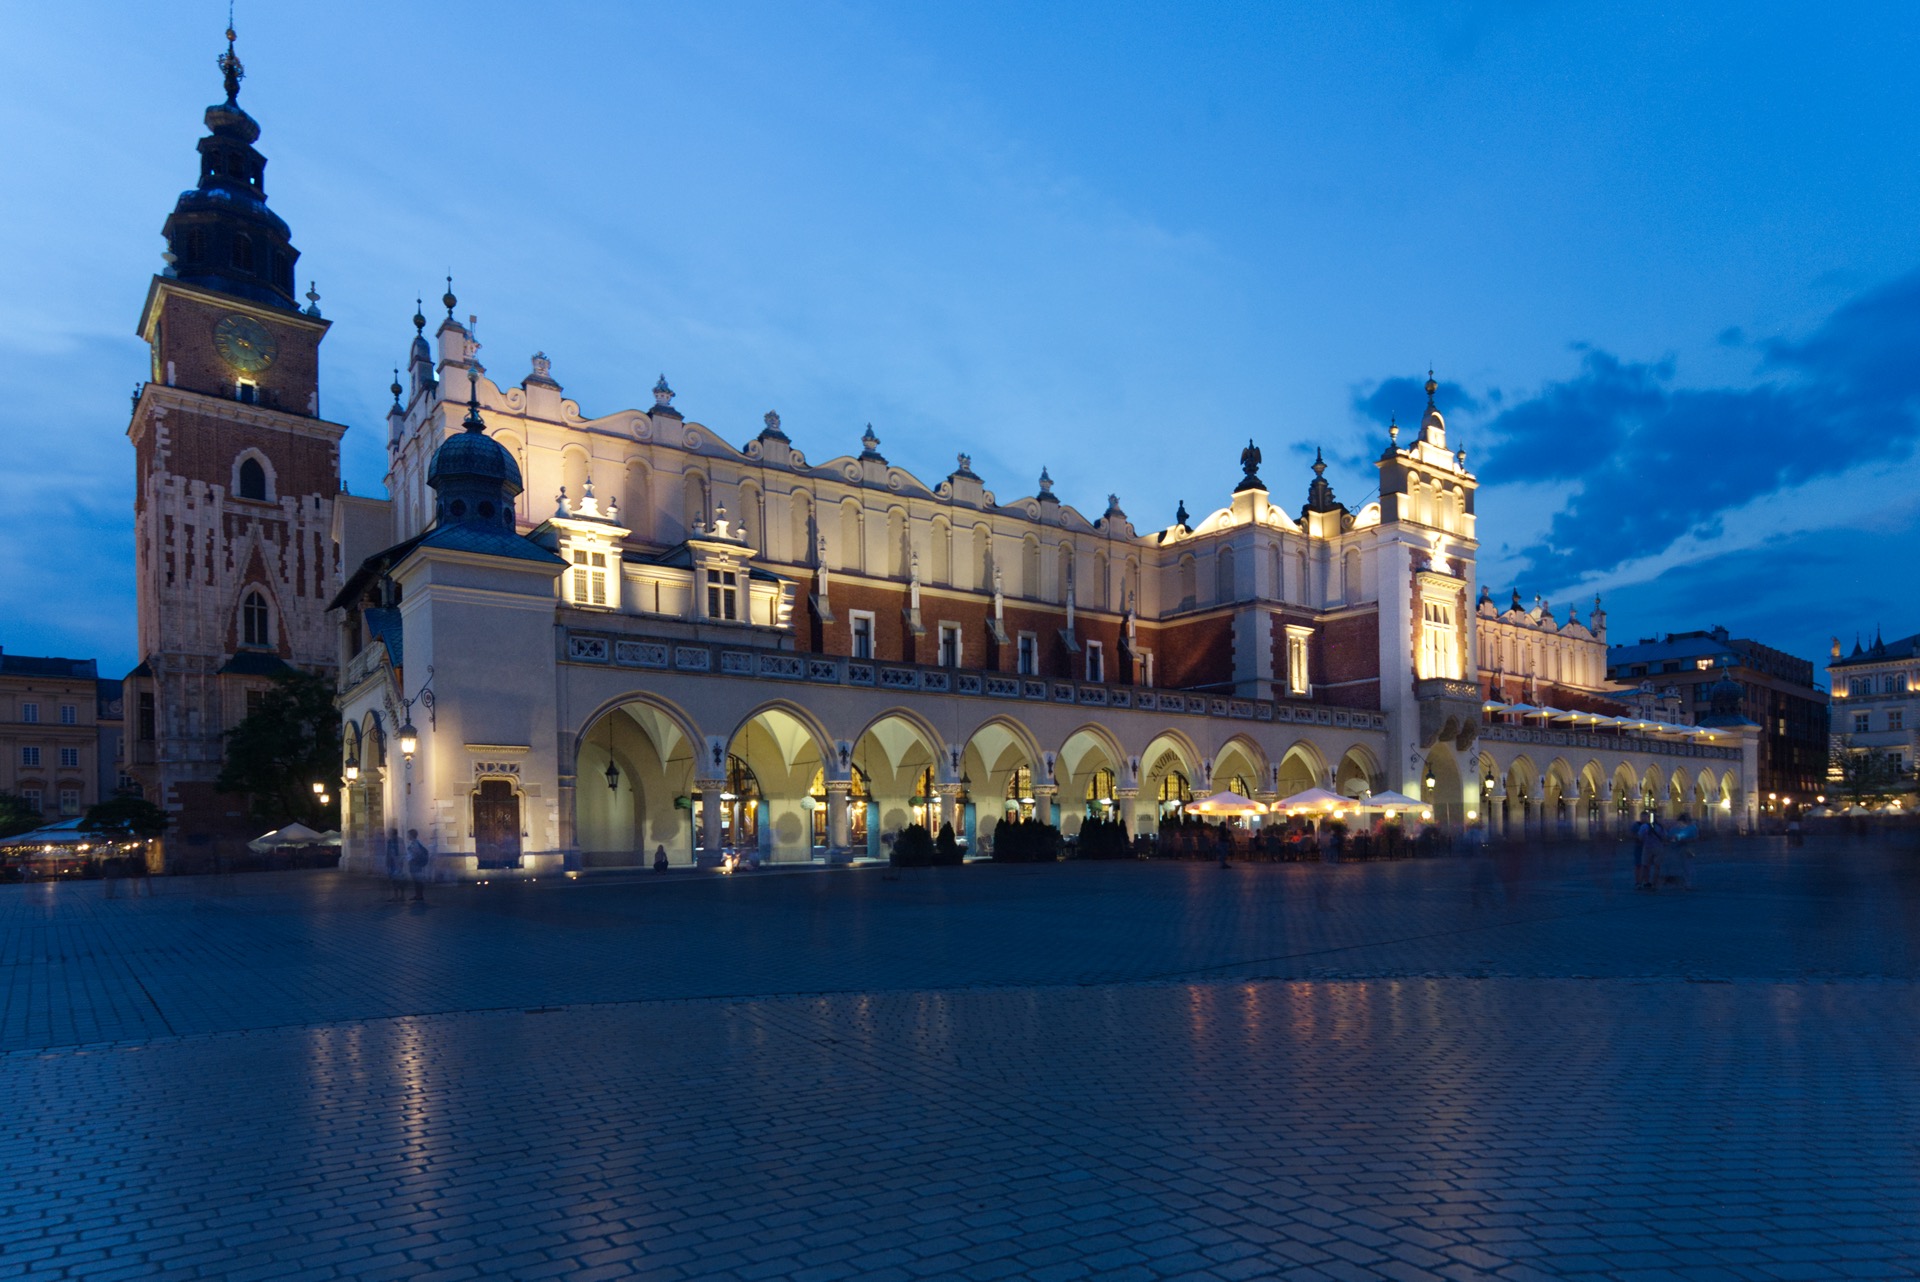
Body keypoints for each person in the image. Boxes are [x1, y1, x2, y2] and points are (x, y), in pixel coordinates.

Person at [405, 829, 430, 903]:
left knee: (418, 880)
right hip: (415, 863)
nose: (407, 836)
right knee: (416, 880)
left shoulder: (415, 843)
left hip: (415, 864)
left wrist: (412, 860)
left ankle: (419, 895)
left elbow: (416, 853)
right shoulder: (415, 843)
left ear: (411, 835)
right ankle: (418, 895)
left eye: (408, 834)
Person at [384, 828, 404, 902]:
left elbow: (402, 851)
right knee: (393, 880)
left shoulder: (399, 840)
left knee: (399, 879)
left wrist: (400, 861)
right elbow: (388, 852)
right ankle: (396, 895)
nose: (388, 834)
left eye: (389, 832)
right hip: (392, 862)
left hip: (398, 862)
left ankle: (402, 895)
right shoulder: (389, 841)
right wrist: (387, 862)